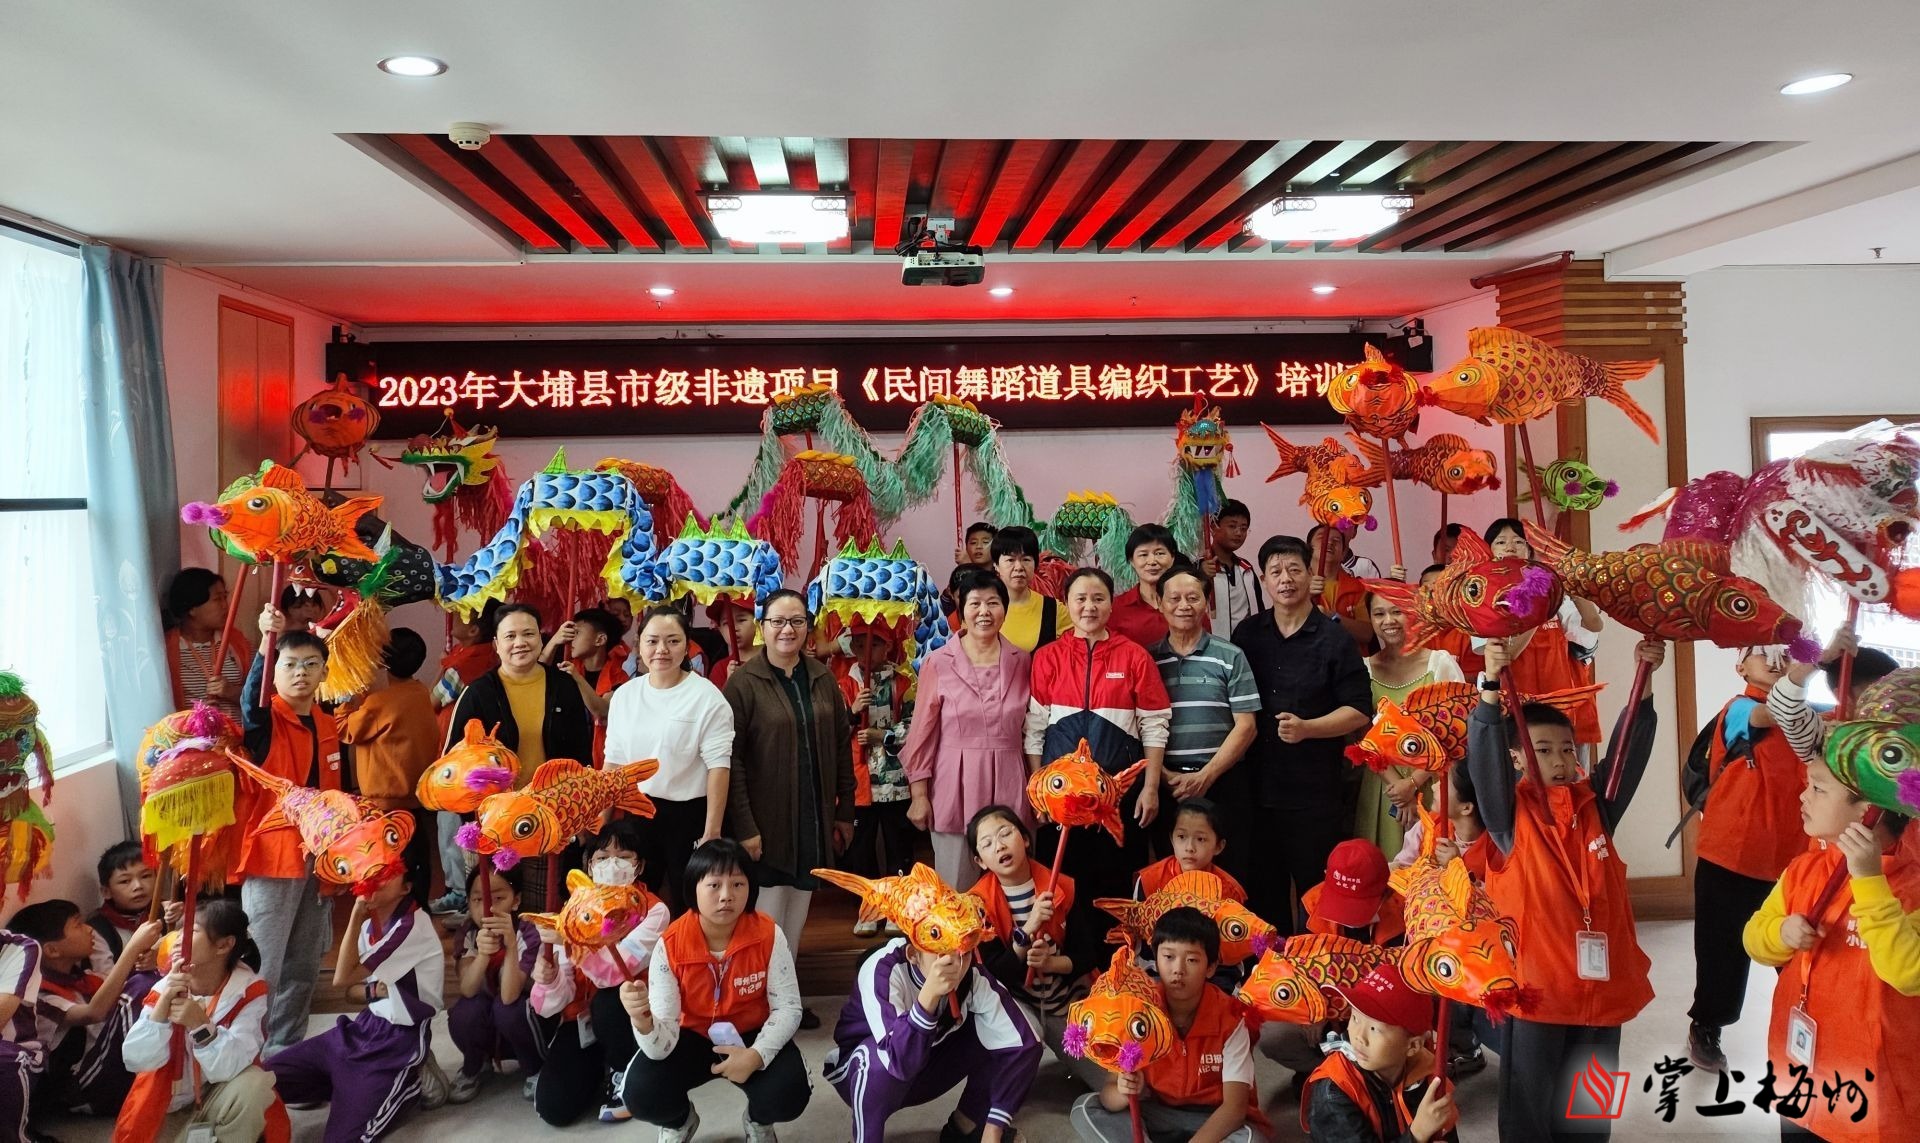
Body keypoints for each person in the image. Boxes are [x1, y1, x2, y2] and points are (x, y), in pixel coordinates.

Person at [1467, 635, 1665, 1142]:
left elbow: (1626, 756)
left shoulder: (1597, 804)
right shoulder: (1509, 817)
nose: (1558, 759)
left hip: (1602, 991)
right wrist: (1490, 687)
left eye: (1565, 749)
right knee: (1529, 1112)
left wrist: (1643, 685)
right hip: (1539, 994)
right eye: (1542, 750)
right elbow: (1484, 764)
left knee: (1590, 1110)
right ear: (1516, 758)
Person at [1743, 756, 1919, 1140]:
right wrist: (1780, 933)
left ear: (1870, 810)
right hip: (1800, 1074)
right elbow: (1754, 939)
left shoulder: (1912, 889)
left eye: (1819, 789)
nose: (1803, 795)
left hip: (1873, 1094)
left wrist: (1869, 882)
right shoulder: (1804, 870)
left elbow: (1907, 972)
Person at [823, 874, 1043, 1143]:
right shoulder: (882, 969)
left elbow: (1024, 1044)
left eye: (962, 951)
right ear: (913, 953)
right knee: (873, 1062)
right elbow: (897, 1061)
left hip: (927, 1064)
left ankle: (966, 1127)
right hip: (868, 1073)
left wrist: (993, 1129)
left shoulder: (972, 974)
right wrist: (929, 996)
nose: (954, 963)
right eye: (939, 947)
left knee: (1002, 1031)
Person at [618, 840, 810, 1142]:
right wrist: (642, 1021)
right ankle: (679, 1122)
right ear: (693, 887)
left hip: (750, 1034)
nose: (726, 896)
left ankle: (758, 1122)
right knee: (641, 1092)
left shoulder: (769, 934)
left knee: (789, 1092)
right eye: (714, 885)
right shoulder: (670, 944)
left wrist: (756, 1056)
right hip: (689, 1036)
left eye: (737, 884)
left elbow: (788, 1008)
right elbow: (660, 1046)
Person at [1230, 536, 1372, 933]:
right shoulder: (1248, 634)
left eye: (1295, 569)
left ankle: (1314, 959)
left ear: (1311, 575)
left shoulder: (1334, 638)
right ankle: (1270, 966)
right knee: (1264, 894)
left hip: (1314, 792)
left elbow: (1359, 709)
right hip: (1257, 790)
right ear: (1263, 580)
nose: (1285, 579)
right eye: (1275, 571)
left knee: (1315, 892)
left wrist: (1310, 728)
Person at [1681, 645, 1808, 1075]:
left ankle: (1809, 1024)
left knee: (1798, 954)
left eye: (1785, 654)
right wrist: (1805, 671)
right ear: (1740, 666)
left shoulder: (1812, 716)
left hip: (1794, 859)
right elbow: (1770, 714)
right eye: (1762, 654)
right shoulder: (1738, 710)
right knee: (1722, 951)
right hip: (1730, 854)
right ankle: (1706, 1025)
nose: (1775, 661)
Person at [722, 589, 855, 997]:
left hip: (813, 818)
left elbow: (841, 747)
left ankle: (786, 998)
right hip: (766, 824)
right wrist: (745, 827)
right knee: (766, 920)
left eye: (796, 621)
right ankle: (756, 1003)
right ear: (762, 627)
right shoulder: (743, 683)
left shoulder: (821, 677)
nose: (787, 629)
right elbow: (731, 761)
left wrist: (845, 812)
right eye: (777, 621)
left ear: (807, 627)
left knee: (796, 917)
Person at [1025, 567, 1172, 905]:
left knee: (1115, 889)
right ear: (1066, 603)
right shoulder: (1047, 657)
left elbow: (1154, 726)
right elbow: (1033, 730)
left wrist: (1150, 788)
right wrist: (1038, 793)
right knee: (1062, 892)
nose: (1089, 607)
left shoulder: (1135, 656)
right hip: (1060, 799)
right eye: (1080, 598)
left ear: (1110, 604)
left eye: (1098, 598)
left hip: (1118, 800)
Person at [266, 867, 444, 1143]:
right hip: (361, 1027)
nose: (373, 878)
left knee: (344, 1139)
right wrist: (372, 990)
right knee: (264, 1080)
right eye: (371, 870)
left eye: (386, 873)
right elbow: (352, 993)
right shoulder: (369, 927)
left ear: (406, 888)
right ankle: (344, 1087)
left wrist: (356, 913)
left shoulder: (411, 926)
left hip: (399, 1040)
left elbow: (341, 979)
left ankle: (412, 1081)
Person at [1071, 907, 1269, 1143]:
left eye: (1192, 960)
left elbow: (1234, 1109)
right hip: (1158, 1113)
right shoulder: (1138, 1009)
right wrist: (1124, 1091)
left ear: (1211, 967)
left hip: (1213, 1117)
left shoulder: (1232, 1017)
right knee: (1086, 1108)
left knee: (1251, 1139)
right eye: (1168, 957)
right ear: (1155, 959)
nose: (1178, 970)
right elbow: (1109, 1095)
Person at [443, 603, 595, 910]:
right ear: (496, 644)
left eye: (528, 634)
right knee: (495, 906)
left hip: (546, 816)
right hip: (492, 821)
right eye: (510, 636)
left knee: (540, 906)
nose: (520, 642)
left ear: (540, 638)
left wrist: (581, 815)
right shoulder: (478, 693)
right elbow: (452, 762)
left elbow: (580, 756)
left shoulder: (563, 686)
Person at [236, 616, 340, 1051]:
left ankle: (287, 1046)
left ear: (324, 672)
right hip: (274, 857)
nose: (301, 673)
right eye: (290, 664)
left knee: (305, 960)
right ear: (274, 673)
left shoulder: (327, 722)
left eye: (311, 664)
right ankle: (250, 1051)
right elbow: (252, 702)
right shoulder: (265, 721)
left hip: (321, 854)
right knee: (265, 960)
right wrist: (266, 641)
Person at [529, 820, 671, 1126]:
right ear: (589, 865)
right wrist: (549, 979)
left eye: (623, 856)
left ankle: (623, 1068)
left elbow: (614, 973)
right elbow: (549, 1005)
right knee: (554, 1108)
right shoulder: (572, 912)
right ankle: (597, 1066)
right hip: (583, 1020)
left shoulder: (654, 910)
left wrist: (573, 940)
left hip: (630, 1017)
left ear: (639, 865)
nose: (612, 864)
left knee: (609, 999)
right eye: (603, 857)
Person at [906, 570, 1035, 890]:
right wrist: (918, 795)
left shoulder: (1023, 661)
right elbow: (922, 733)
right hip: (954, 783)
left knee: (1012, 885)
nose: (984, 611)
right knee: (956, 888)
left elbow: (1034, 729)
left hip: (1009, 778)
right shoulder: (938, 662)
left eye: (993, 603)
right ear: (962, 610)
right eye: (975, 603)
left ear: (1005, 609)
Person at [117, 899, 286, 1143]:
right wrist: (161, 1010)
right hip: (167, 1106)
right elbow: (136, 1060)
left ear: (224, 945)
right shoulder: (164, 987)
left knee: (255, 1084)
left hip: (220, 1098)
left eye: (192, 931)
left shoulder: (248, 990)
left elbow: (232, 1066)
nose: (177, 940)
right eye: (179, 931)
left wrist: (200, 1025)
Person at [603, 606, 735, 912]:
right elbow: (613, 763)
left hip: (689, 815)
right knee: (635, 901)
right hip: (638, 810)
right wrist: (601, 819)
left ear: (687, 646)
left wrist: (711, 833)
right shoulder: (625, 695)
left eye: (673, 641)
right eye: (652, 641)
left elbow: (719, 767)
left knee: (689, 902)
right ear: (639, 645)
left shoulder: (706, 697)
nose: (661, 649)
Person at [966, 804, 1105, 1090]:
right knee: (1020, 1051)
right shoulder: (978, 904)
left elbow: (1087, 956)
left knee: (1114, 1085)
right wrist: (1027, 929)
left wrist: (1052, 963)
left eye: (1006, 833)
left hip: (1063, 1003)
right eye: (987, 843)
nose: (999, 845)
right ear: (980, 861)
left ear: (1026, 839)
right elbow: (995, 975)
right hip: (1015, 1001)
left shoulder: (1061, 887)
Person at [8, 901, 161, 1117]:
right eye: (78, 925)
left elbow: (114, 986)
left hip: (99, 1063)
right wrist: (132, 948)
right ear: (52, 950)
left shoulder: (81, 978)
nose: (89, 929)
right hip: (77, 1085)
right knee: (141, 987)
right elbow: (94, 1012)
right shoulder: (39, 995)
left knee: (149, 980)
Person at [1148, 564, 1258, 861]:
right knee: (1171, 872)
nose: (1184, 606)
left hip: (1223, 781)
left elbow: (1247, 726)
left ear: (1206, 603)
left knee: (1229, 870)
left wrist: (1206, 776)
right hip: (1167, 785)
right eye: (1174, 598)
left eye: (1193, 598)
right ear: (1159, 603)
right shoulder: (1147, 660)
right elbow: (1137, 727)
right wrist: (1163, 775)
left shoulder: (1231, 655)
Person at [335, 627, 439, 911]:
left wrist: (346, 698)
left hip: (385, 801)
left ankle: (394, 911)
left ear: (381, 661)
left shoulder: (379, 703)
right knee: (417, 854)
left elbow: (345, 730)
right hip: (415, 796)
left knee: (390, 859)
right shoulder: (420, 692)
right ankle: (419, 907)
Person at [1477, 518, 1604, 748]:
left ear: (1530, 551)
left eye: (1519, 541)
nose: (1510, 547)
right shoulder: (1480, 600)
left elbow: (1594, 625)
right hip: (1512, 709)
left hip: (1558, 708)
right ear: (1488, 551)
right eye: (1501, 542)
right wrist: (1539, 609)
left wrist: (1574, 584)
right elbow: (1507, 655)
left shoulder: (1550, 590)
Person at [1299, 962, 1457, 1143]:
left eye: (1374, 1029)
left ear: (1413, 1046)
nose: (1359, 1036)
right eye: (1355, 1018)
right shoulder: (1333, 1091)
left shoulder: (1430, 1076)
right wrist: (1417, 1134)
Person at [1357, 591, 1464, 854]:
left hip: (1435, 782)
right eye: (1379, 614)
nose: (1388, 620)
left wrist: (1413, 783)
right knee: (1386, 863)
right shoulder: (1363, 668)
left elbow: (1456, 731)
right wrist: (1397, 787)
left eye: (1397, 611)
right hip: (1384, 785)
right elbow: (1364, 735)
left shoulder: (1440, 663)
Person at [833, 625, 914, 932]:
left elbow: (915, 726)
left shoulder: (903, 683)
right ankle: (868, 907)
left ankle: (898, 907)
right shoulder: (842, 685)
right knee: (861, 847)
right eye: (859, 644)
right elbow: (832, 731)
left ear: (888, 646)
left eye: (875, 644)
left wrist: (884, 735)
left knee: (898, 845)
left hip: (894, 779)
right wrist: (853, 712)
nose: (867, 651)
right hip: (858, 780)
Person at [446, 866, 543, 1105]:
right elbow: (468, 988)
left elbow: (510, 995)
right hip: (487, 1020)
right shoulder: (468, 933)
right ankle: (477, 1065)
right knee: (463, 1012)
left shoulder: (528, 931)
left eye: (498, 898)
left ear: (516, 900)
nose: (488, 908)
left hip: (518, 1019)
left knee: (508, 1009)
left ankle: (534, 1068)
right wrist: (482, 955)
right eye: (478, 900)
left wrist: (510, 946)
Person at [429, 601, 500, 915]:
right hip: (481, 760)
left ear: (472, 630)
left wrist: (440, 669)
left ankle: (459, 892)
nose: (454, 616)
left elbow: (431, 702)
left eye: (461, 614)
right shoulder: (488, 657)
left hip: (455, 759)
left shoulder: (463, 667)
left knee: (451, 828)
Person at [1766, 623, 1900, 762]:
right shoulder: (1827, 737)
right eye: (1880, 695)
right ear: (1845, 697)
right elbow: (1781, 705)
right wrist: (1823, 658)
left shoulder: (1906, 726)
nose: (1893, 704)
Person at [542, 606, 631, 768]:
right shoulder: (565, 665)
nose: (571, 639)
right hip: (565, 756)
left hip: (599, 758)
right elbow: (538, 671)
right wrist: (555, 640)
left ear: (600, 640)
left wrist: (577, 678)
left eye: (577, 633)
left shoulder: (619, 677)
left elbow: (602, 711)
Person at [163, 568, 251, 721]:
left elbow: (262, 696)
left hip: (237, 734)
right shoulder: (167, 648)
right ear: (192, 608)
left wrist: (232, 691)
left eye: (225, 597)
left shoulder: (235, 641)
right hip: (190, 735)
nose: (225, 605)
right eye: (217, 599)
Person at [1134, 799, 1245, 901]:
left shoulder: (1230, 890)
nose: (1189, 848)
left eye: (1200, 839)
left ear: (1218, 846)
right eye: (1181, 837)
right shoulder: (1149, 880)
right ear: (1172, 839)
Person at [1301, 840, 1405, 946]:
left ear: (1386, 894)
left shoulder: (1403, 914)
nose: (1347, 917)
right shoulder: (1311, 906)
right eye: (1339, 904)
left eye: (1359, 908)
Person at [990, 526, 1068, 654]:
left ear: (1035, 564)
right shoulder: (981, 608)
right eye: (1010, 560)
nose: (1019, 567)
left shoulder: (1053, 609)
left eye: (1026, 559)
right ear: (996, 565)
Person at [90, 841, 169, 964]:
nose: (138, 886)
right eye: (125, 881)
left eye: (145, 876)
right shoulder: (98, 930)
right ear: (106, 891)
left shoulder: (165, 911)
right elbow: (107, 976)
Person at [1108, 524, 1179, 647]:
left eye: (1159, 553)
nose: (1152, 561)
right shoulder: (1115, 608)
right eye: (1143, 555)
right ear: (1132, 561)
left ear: (1172, 557)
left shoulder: (1189, 603)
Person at [1305, 525, 1374, 649]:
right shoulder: (1296, 584)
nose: (1329, 543)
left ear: (1343, 553)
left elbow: (1366, 634)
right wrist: (1304, 597)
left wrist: (1333, 617)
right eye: (1322, 538)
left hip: (1349, 658)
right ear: (1308, 548)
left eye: (1336, 541)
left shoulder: (1357, 587)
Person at [1204, 500, 1264, 638]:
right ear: (1213, 527)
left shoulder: (1246, 569)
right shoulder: (1198, 567)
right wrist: (1200, 575)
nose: (1238, 533)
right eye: (1232, 526)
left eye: (1244, 528)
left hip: (1247, 645)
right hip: (1212, 645)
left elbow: (1259, 610)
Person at [1415, 564, 1483, 679]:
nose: (1432, 593)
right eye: (1426, 587)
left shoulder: (1471, 631)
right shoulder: (1413, 634)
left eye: (1439, 586)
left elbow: (1474, 678)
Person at [704, 598, 760, 687]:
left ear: (758, 622)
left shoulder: (774, 659)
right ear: (720, 630)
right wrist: (730, 684)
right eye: (726, 623)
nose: (733, 628)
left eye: (741, 620)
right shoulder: (720, 669)